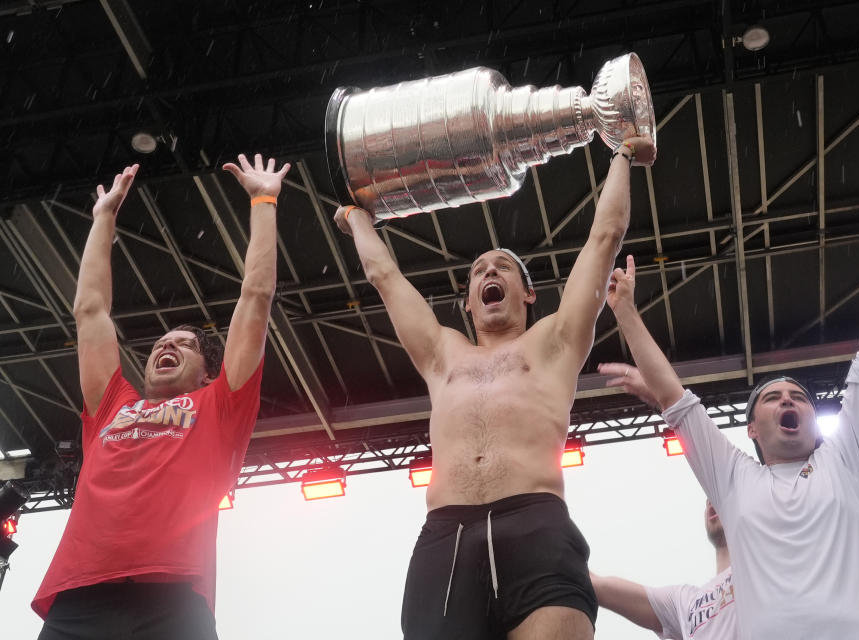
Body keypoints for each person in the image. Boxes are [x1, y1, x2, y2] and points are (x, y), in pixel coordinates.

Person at [335, 135, 656, 639]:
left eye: (502, 266)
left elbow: (604, 237)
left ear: (527, 293)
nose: (489, 271)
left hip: (536, 525)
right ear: (467, 304)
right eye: (479, 271)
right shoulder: (443, 354)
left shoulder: (554, 341)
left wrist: (623, 153)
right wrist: (356, 219)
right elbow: (385, 277)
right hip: (447, 537)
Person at [597, 182, 859, 639]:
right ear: (751, 429)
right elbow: (676, 399)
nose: (789, 400)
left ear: (815, 420)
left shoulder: (850, 459)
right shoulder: (734, 481)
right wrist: (626, 313)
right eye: (773, 398)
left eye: (800, 397)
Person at [33, 154, 290, 640]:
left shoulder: (219, 405)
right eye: (160, 343)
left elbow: (255, 295)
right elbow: (90, 311)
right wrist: (103, 218)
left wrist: (263, 200)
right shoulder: (113, 405)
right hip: (80, 599)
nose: (167, 345)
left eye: (184, 344)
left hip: (174, 601)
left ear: (207, 373)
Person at [591, 500, 737, 639]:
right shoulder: (686, 603)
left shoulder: (755, 573)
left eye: (720, 495)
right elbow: (596, 586)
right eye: (709, 496)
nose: (711, 500)